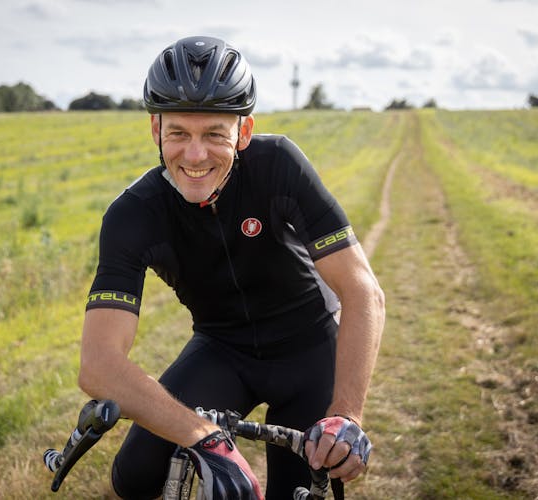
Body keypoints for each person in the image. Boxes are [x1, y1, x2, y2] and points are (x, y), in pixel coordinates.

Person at [78, 35, 385, 500]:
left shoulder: (278, 164)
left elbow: (362, 291)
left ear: (242, 132)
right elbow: (98, 365)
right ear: (155, 130)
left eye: (214, 134)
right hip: (223, 349)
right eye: (178, 132)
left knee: (298, 488)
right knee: (134, 476)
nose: (195, 155)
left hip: (308, 346)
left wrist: (347, 415)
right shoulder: (134, 214)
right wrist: (203, 436)